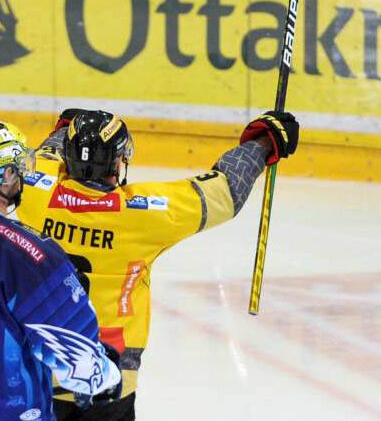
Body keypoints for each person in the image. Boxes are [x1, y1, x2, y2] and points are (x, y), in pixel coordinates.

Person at [15, 107, 299, 419]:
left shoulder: (31, 191)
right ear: (118, 162)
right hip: (107, 382)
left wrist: (68, 131)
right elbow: (226, 190)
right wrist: (263, 143)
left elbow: (44, 154)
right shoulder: (144, 214)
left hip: (35, 372)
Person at [0, 121, 121, 421]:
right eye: (17, 168)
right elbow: (83, 370)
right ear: (6, 176)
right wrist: (109, 373)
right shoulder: (30, 255)